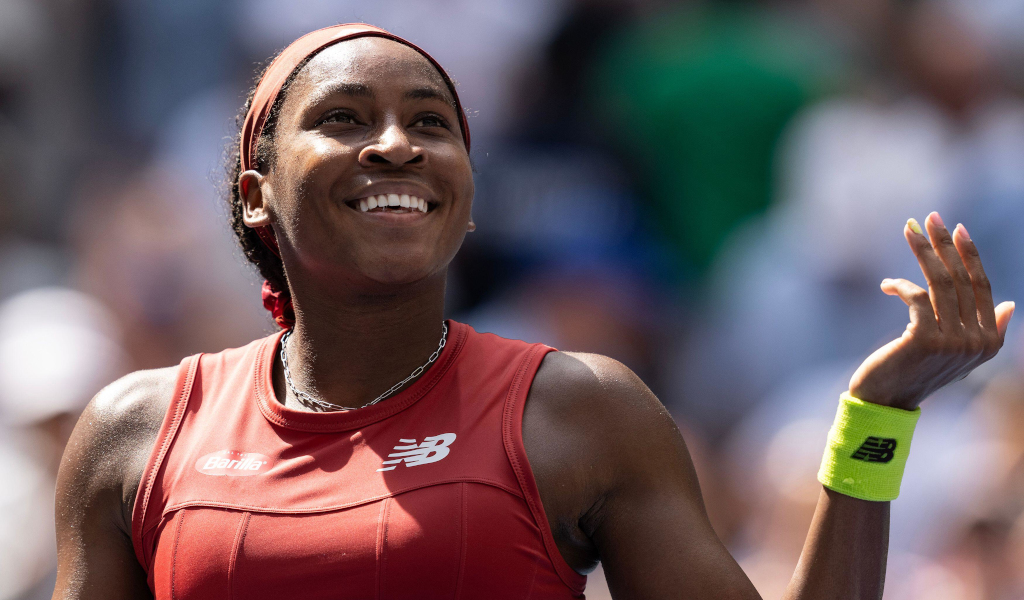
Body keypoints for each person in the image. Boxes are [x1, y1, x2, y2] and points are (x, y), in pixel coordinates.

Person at [51, 24, 1014, 599]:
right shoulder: (133, 434)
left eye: (432, 123)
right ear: (256, 192)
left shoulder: (583, 411)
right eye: (344, 118)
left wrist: (879, 417)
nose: (397, 145)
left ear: (467, 192)